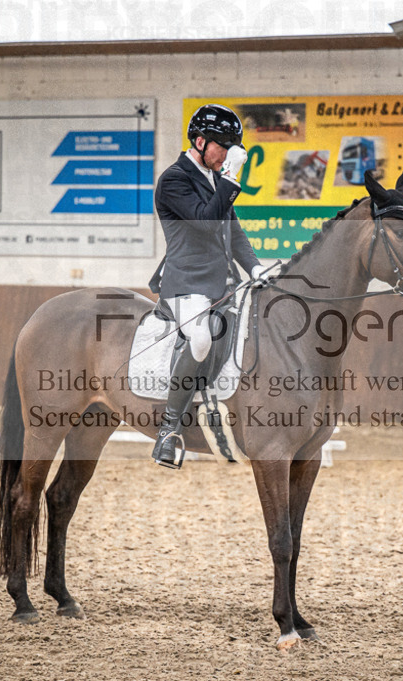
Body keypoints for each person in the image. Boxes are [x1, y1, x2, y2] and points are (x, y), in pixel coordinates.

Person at [149, 104, 269, 468]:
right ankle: (168, 431)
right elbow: (204, 222)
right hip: (186, 282)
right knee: (200, 338)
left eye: (233, 149)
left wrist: (255, 267)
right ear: (200, 141)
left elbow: (231, 229)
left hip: (222, 283)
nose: (227, 155)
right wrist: (232, 178)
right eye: (223, 146)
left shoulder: (214, 177)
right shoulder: (173, 180)